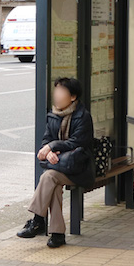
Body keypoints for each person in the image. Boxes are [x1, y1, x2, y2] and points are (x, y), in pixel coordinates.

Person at [18, 77, 94, 248]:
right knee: (52, 183)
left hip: (79, 168)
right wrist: (49, 151)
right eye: (56, 91)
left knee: (49, 177)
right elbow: (47, 140)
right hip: (59, 166)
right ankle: (57, 234)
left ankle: (38, 221)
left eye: (61, 92)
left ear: (73, 97)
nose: (57, 95)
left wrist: (53, 147)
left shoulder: (83, 117)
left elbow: (77, 143)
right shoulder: (53, 115)